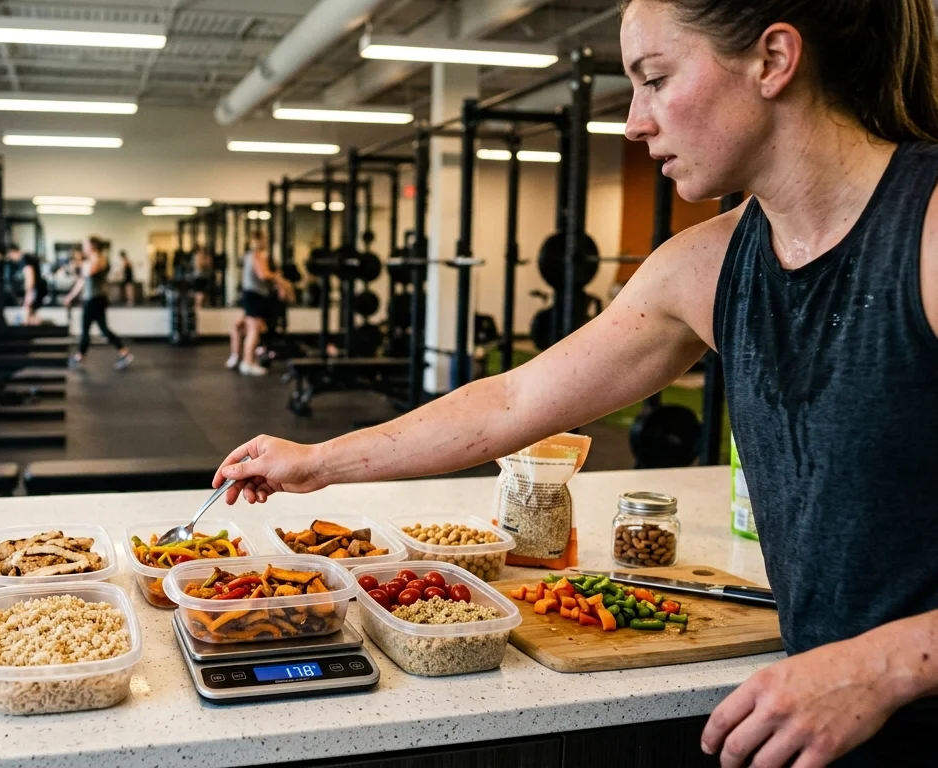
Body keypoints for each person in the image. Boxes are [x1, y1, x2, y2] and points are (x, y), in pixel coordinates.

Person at [214, 2, 938, 766]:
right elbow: (515, 401)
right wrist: (317, 461)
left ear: (773, 60)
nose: (632, 122)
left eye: (655, 79)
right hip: (827, 723)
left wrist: (879, 663)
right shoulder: (708, 266)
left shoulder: (925, 236)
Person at [63, 236, 133, 369]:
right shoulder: (90, 260)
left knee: (86, 329)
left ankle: (80, 356)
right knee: (103, 329)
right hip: (94, 299)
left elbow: (88, 273)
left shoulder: (99, 258)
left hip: (95, 299)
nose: (83, 248)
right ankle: (124, 352)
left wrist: (78, 264)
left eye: (85, 245)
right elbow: (82, 281)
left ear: (92, 246)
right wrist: (70, 296)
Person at [227, 230, 291, 375]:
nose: (265, 243)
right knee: (254, 329)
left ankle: (242, 358)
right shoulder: (255, 255)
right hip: (254, 296)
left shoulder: (252, 256)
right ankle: (247, 362)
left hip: (253, 296)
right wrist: (277, 277)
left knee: (243, 327)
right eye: (264, 240)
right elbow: (263, 274)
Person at [13, 244, 44, 326]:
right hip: (38, 287)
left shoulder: (24, 259)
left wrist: (28, 292)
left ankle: (25, 331)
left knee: (27, 310)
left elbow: (29, 275)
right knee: (32, 313)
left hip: (33, 288)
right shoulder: (28, 257)